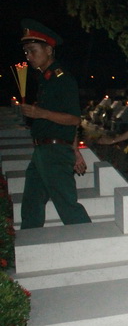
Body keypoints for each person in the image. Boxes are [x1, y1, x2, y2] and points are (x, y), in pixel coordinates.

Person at [18, 19, 91, 229]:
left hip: (54, 151)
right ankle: (30, 242)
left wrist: (40, 113)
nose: (29, 56)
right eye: (26, 52)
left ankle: (89, 238)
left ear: (49, 50)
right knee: (32, 203)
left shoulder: (62, 79)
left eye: (33, 51)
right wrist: (75, 150)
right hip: (43, 150)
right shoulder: (46, 79)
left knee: (67, 205)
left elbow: (74, 118)